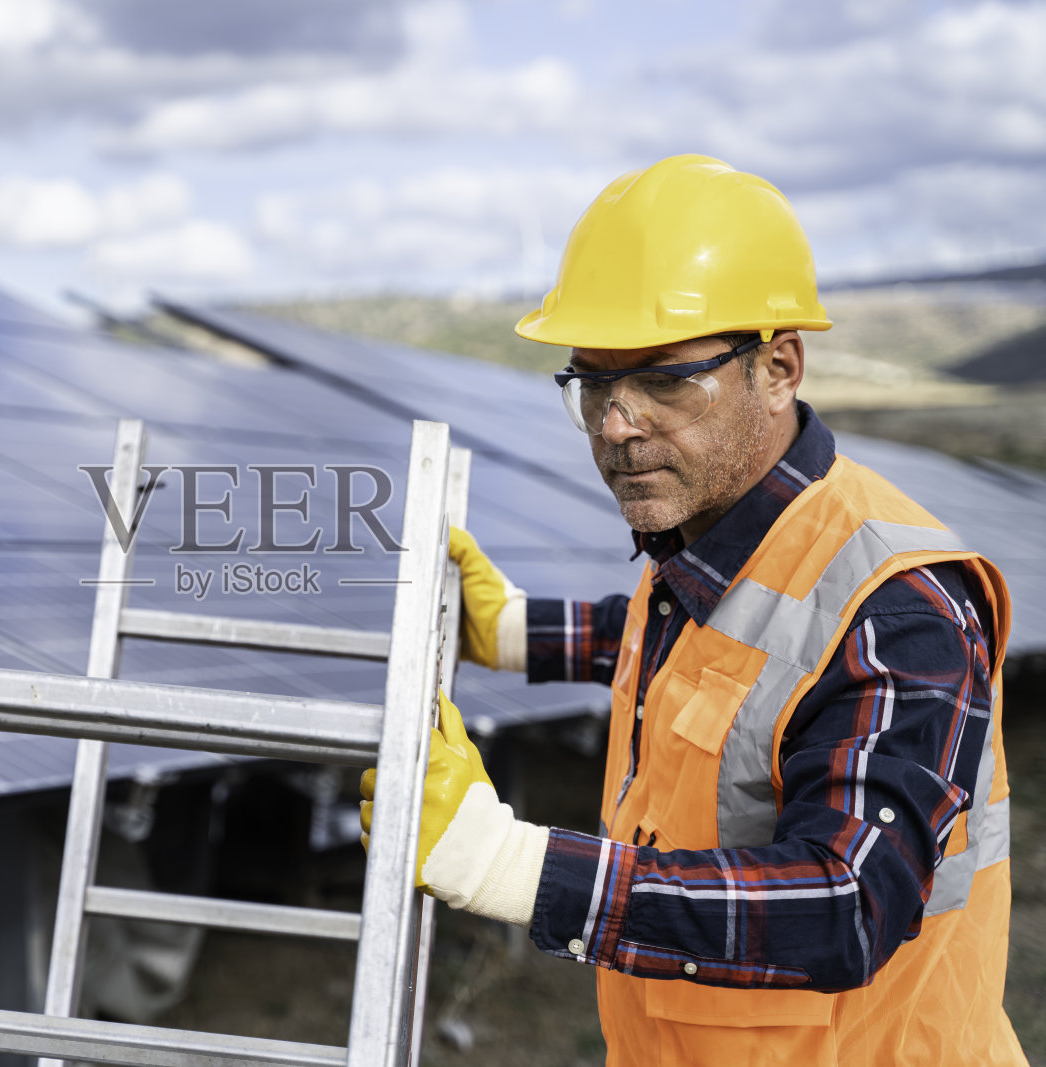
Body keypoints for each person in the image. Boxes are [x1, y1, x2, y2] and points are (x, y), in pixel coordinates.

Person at [360, 155, 1023, 1064]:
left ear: (779, 367)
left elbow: (848, 905)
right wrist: (516, 630)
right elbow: (730, 663)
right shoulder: (715, 542)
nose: (616, 424)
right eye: (593, 381)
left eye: (666, 378)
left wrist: (511, 864)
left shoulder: (902, 608)